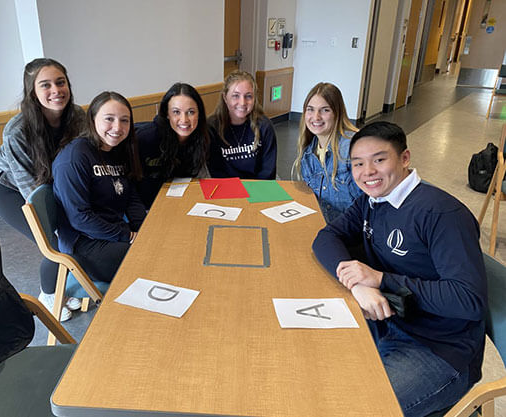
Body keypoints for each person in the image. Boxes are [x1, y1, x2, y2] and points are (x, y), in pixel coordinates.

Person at [312, 121, 487, 417]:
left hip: (437, 349)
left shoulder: (442, 214)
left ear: (405, 158)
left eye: (379, 160)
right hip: (386, 321)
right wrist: (358, 285)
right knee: (308, 371)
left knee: (344, 409)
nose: (367, 172)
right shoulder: (372, 200)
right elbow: (326, 237)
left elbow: (469, 300)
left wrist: (381, 279)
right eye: (357, 164)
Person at [0, 58, 85, 321]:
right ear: (33, 92)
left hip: (46, 184)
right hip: (8, 188)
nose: (56, 90)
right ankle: (48, 295)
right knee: (51, 240)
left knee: (69, 230)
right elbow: (32, 191)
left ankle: (62, 289)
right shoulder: (16, 131)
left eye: (60, 82)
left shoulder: (78, 116)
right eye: (46, 85)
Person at [52, 91, 146, 283]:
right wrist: (127, 235)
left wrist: (143, 229)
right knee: (152, 258)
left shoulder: (117, 151)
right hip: (86, 244)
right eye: (109, 119)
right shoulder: (75, 157)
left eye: (125, 120)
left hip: (113, 233)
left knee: (161, 243)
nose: (117, 127)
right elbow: (79, 218)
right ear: (93, 119)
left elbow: (131, 198)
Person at [293, 82, 362, 222]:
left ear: (337, 113)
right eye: (310, 109)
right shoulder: (308, 154)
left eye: (325, 110)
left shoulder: (352, 147)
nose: (316, 117)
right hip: (326, 227)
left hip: (351, 232)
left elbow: (369, 202)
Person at [135, 83, 210, 209]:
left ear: (199, 113)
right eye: (176, 112)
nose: (184, 119)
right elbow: (130, 187)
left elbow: (201, 180)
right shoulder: (145, 138)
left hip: (181, 204)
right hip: (146, 209)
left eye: (191, 112)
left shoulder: (203, 136)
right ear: (167, 114)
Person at [208, 70, 277, 179]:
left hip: (258, 188)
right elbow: (214, 170)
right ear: (225, 98)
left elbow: (268, 171)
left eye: (248, 96)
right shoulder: (212, 127)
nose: (242, 102)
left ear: (254, 99)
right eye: (235, 96)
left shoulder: (264, 126)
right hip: (226, 188)